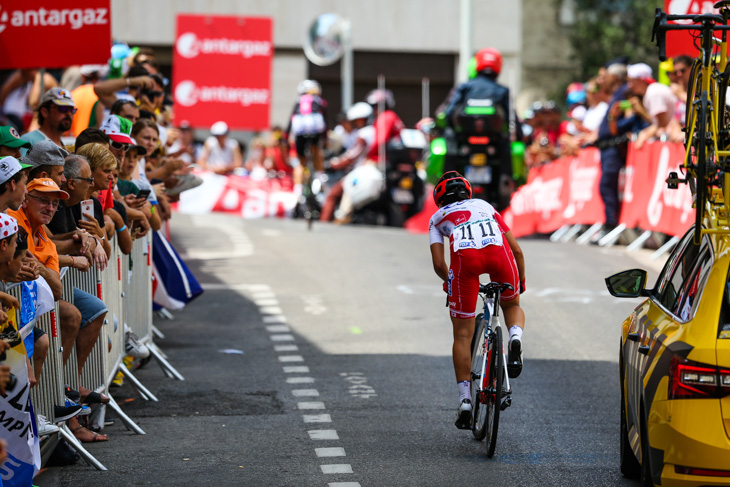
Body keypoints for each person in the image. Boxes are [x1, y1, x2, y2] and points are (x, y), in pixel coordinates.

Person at [428, 171, 526, 429]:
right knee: (512, 305)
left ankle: (465, 401)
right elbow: (516, 249)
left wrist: (448, 281)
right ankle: (515, 336)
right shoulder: (486, 206)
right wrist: (521, 281)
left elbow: (439, 264)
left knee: (462, 334)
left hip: (465, 262)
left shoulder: (437, 218)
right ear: (468, 192)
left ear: (440, 199)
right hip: (499, 256)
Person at [441, 48, 513, 209]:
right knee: (507, 145)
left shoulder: (465, 87)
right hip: (493, 143)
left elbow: (450, 112)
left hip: (464, 141)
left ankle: (446, 181)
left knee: (450, 141)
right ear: (498, 67)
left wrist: (446, 128)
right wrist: (520, 135)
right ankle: (506, 179)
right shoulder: (502, 90)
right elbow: (511, 118)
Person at [286, 80, 328, 193]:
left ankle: (297, 189)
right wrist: (325, 138)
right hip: (315, 128)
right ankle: (320, 179)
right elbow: (324, 118)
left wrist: (286, 138)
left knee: (301, 161)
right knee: (316, 151)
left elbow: (291, 121)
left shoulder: (298, 101)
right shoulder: (319, 101)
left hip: (300, 129)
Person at [626, 63, 681, 149]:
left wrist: (644, 134)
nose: (629, 85)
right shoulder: (651, 92)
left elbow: (662, 125)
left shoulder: (653, 93)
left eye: (631, 81)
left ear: (640, 80)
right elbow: (658, 123)